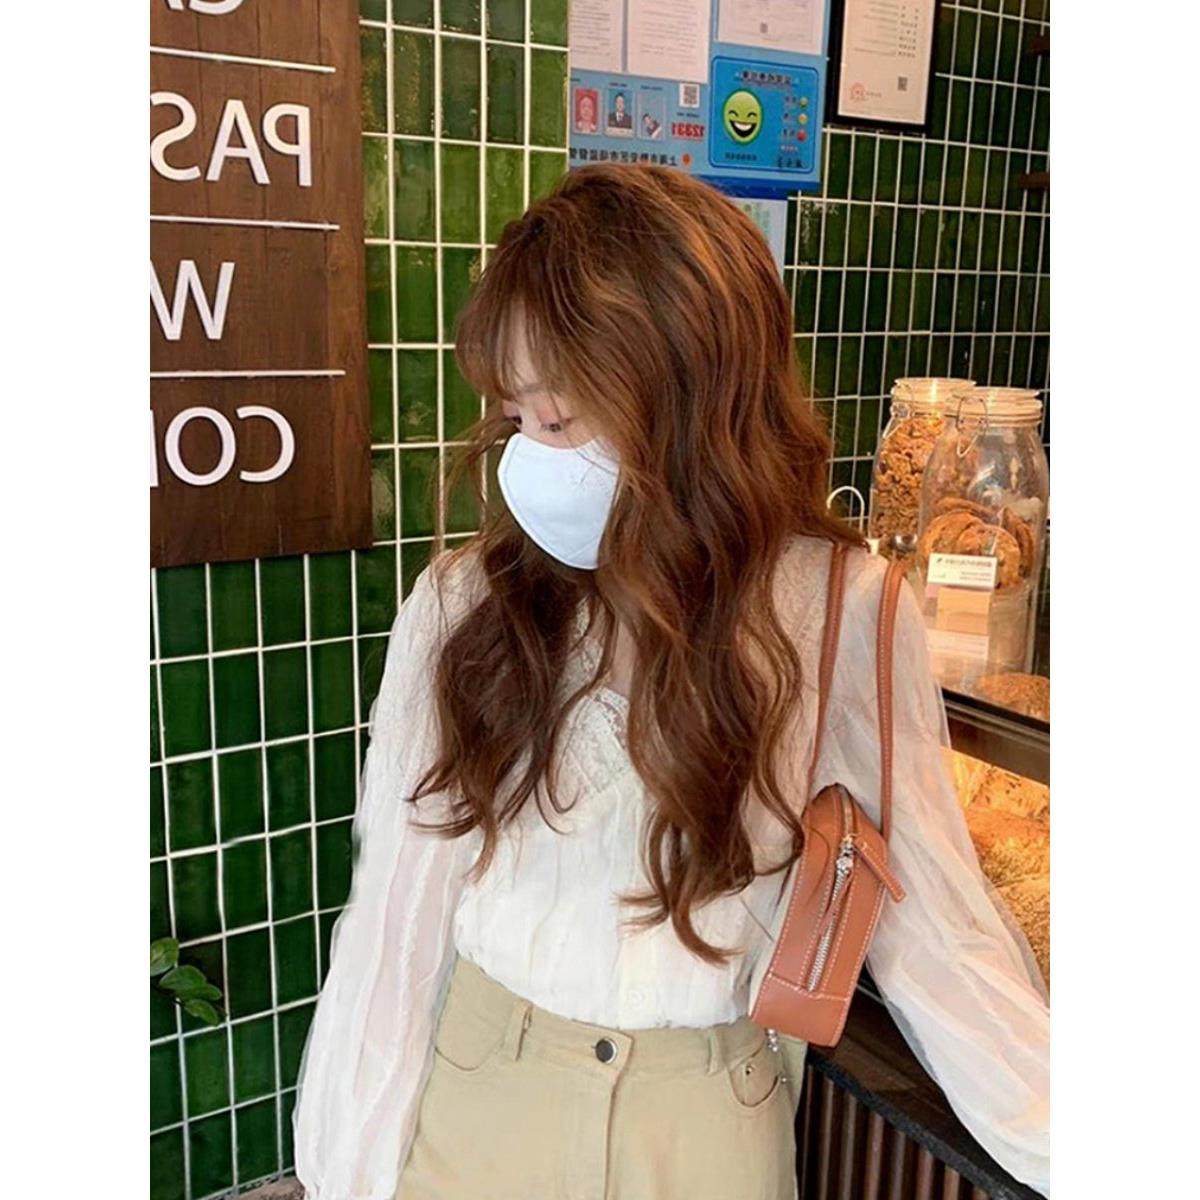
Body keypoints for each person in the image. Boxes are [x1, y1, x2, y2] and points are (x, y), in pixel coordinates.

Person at [292, 163, 1051, 1200]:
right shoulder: (465, 606)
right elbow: (396, 918)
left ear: (688, 400)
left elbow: (934, 930)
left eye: (560, 421)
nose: (528, 456)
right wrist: (343, 1168)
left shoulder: (839, 609)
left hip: (707, 1126)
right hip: (479, 1101)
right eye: (516, 418)